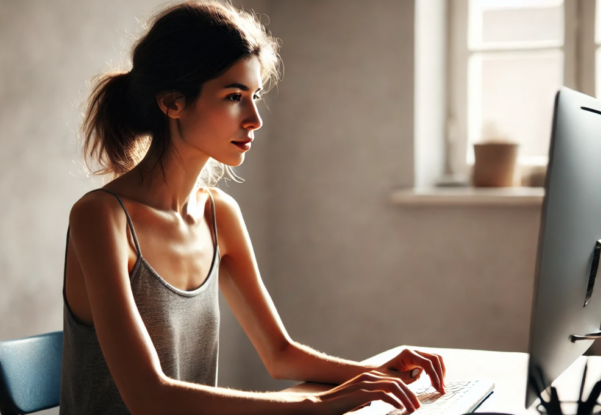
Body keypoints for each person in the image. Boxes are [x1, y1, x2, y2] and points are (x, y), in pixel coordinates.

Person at [61, 1, 447, 414]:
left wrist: (376, 374)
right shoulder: (101, 217)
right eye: (233, 96)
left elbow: (279, 353)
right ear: (172, 102)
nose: (254, 119)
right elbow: (149, 398)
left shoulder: (219, 214)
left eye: (255, 95)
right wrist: (314, 406)